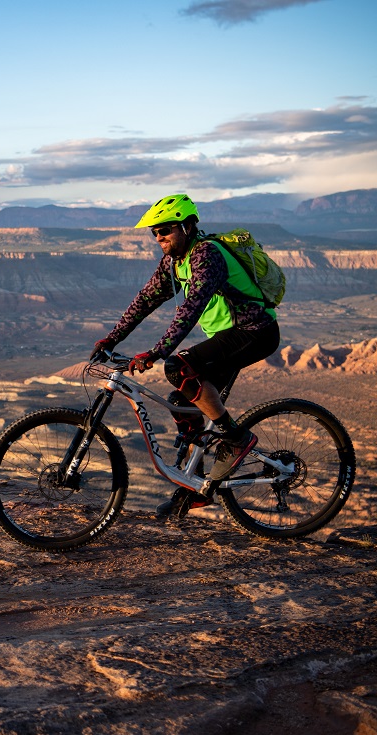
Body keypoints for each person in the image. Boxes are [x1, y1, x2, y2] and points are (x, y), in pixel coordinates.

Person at [90, 193, 280, 517]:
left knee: (178, 367)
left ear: (188, 226)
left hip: (254, 332)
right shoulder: (175, 262)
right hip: (227, 336)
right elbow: (146, 300)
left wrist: (157, 352)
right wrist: (112, 337)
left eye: (166, 229)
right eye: (155, 232)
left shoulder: (207, 254)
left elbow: (191, 309)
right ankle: (198, 489)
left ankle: (235, 438)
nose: (159, 237)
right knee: (183, 404)